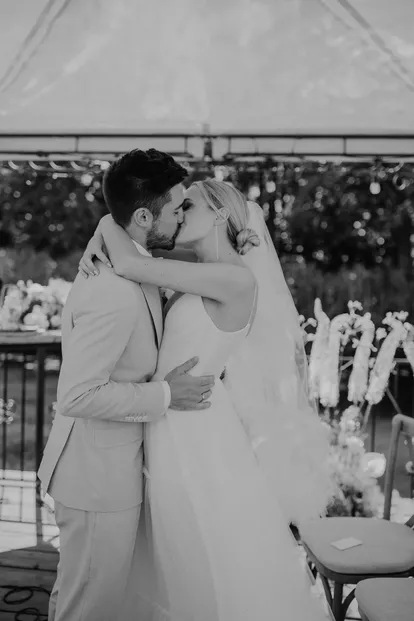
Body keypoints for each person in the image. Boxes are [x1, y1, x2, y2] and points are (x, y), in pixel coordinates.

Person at [79, 170, 335, 620]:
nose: (177, 214)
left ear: (218, 214)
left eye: (188, 205)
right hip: (169, 417)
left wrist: (105, 223)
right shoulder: (198, 267)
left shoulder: (236, 280)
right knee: (173, 550)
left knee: (201, 548)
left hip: (196, 432)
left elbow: (131, 262)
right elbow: (134, 250)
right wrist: (107, 234)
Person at [37, 149, 216, 621]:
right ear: (142, 217)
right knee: (89, 606)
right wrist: (166, 395)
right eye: (176, 208)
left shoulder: (135, 260)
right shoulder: (112, 290)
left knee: (79, 596)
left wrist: (105, 225)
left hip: (107, 472)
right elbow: (77, 395)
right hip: (96, 481)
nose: (182, 215)